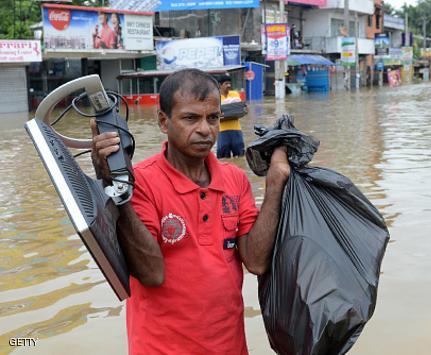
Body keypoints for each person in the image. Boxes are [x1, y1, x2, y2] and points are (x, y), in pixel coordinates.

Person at [90, 69, 290, 354]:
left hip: (230, 347)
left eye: (213, 118)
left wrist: (275, 184)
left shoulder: (235, 179)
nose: (206, 129)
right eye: (190, 118)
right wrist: (118, 187)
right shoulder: (142, 182)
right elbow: (151, 274)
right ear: (163, 121)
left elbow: (256, 262)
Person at [217, 74, 246, 159]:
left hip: (236, 130)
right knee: (223, 158)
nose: (229, 86)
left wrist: (245, 110)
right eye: (226, 83)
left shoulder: (235, 94)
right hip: (222, 131)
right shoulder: (215, 97)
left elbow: (241, 109)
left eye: (230, 83)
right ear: (220, 85)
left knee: (240, 156)